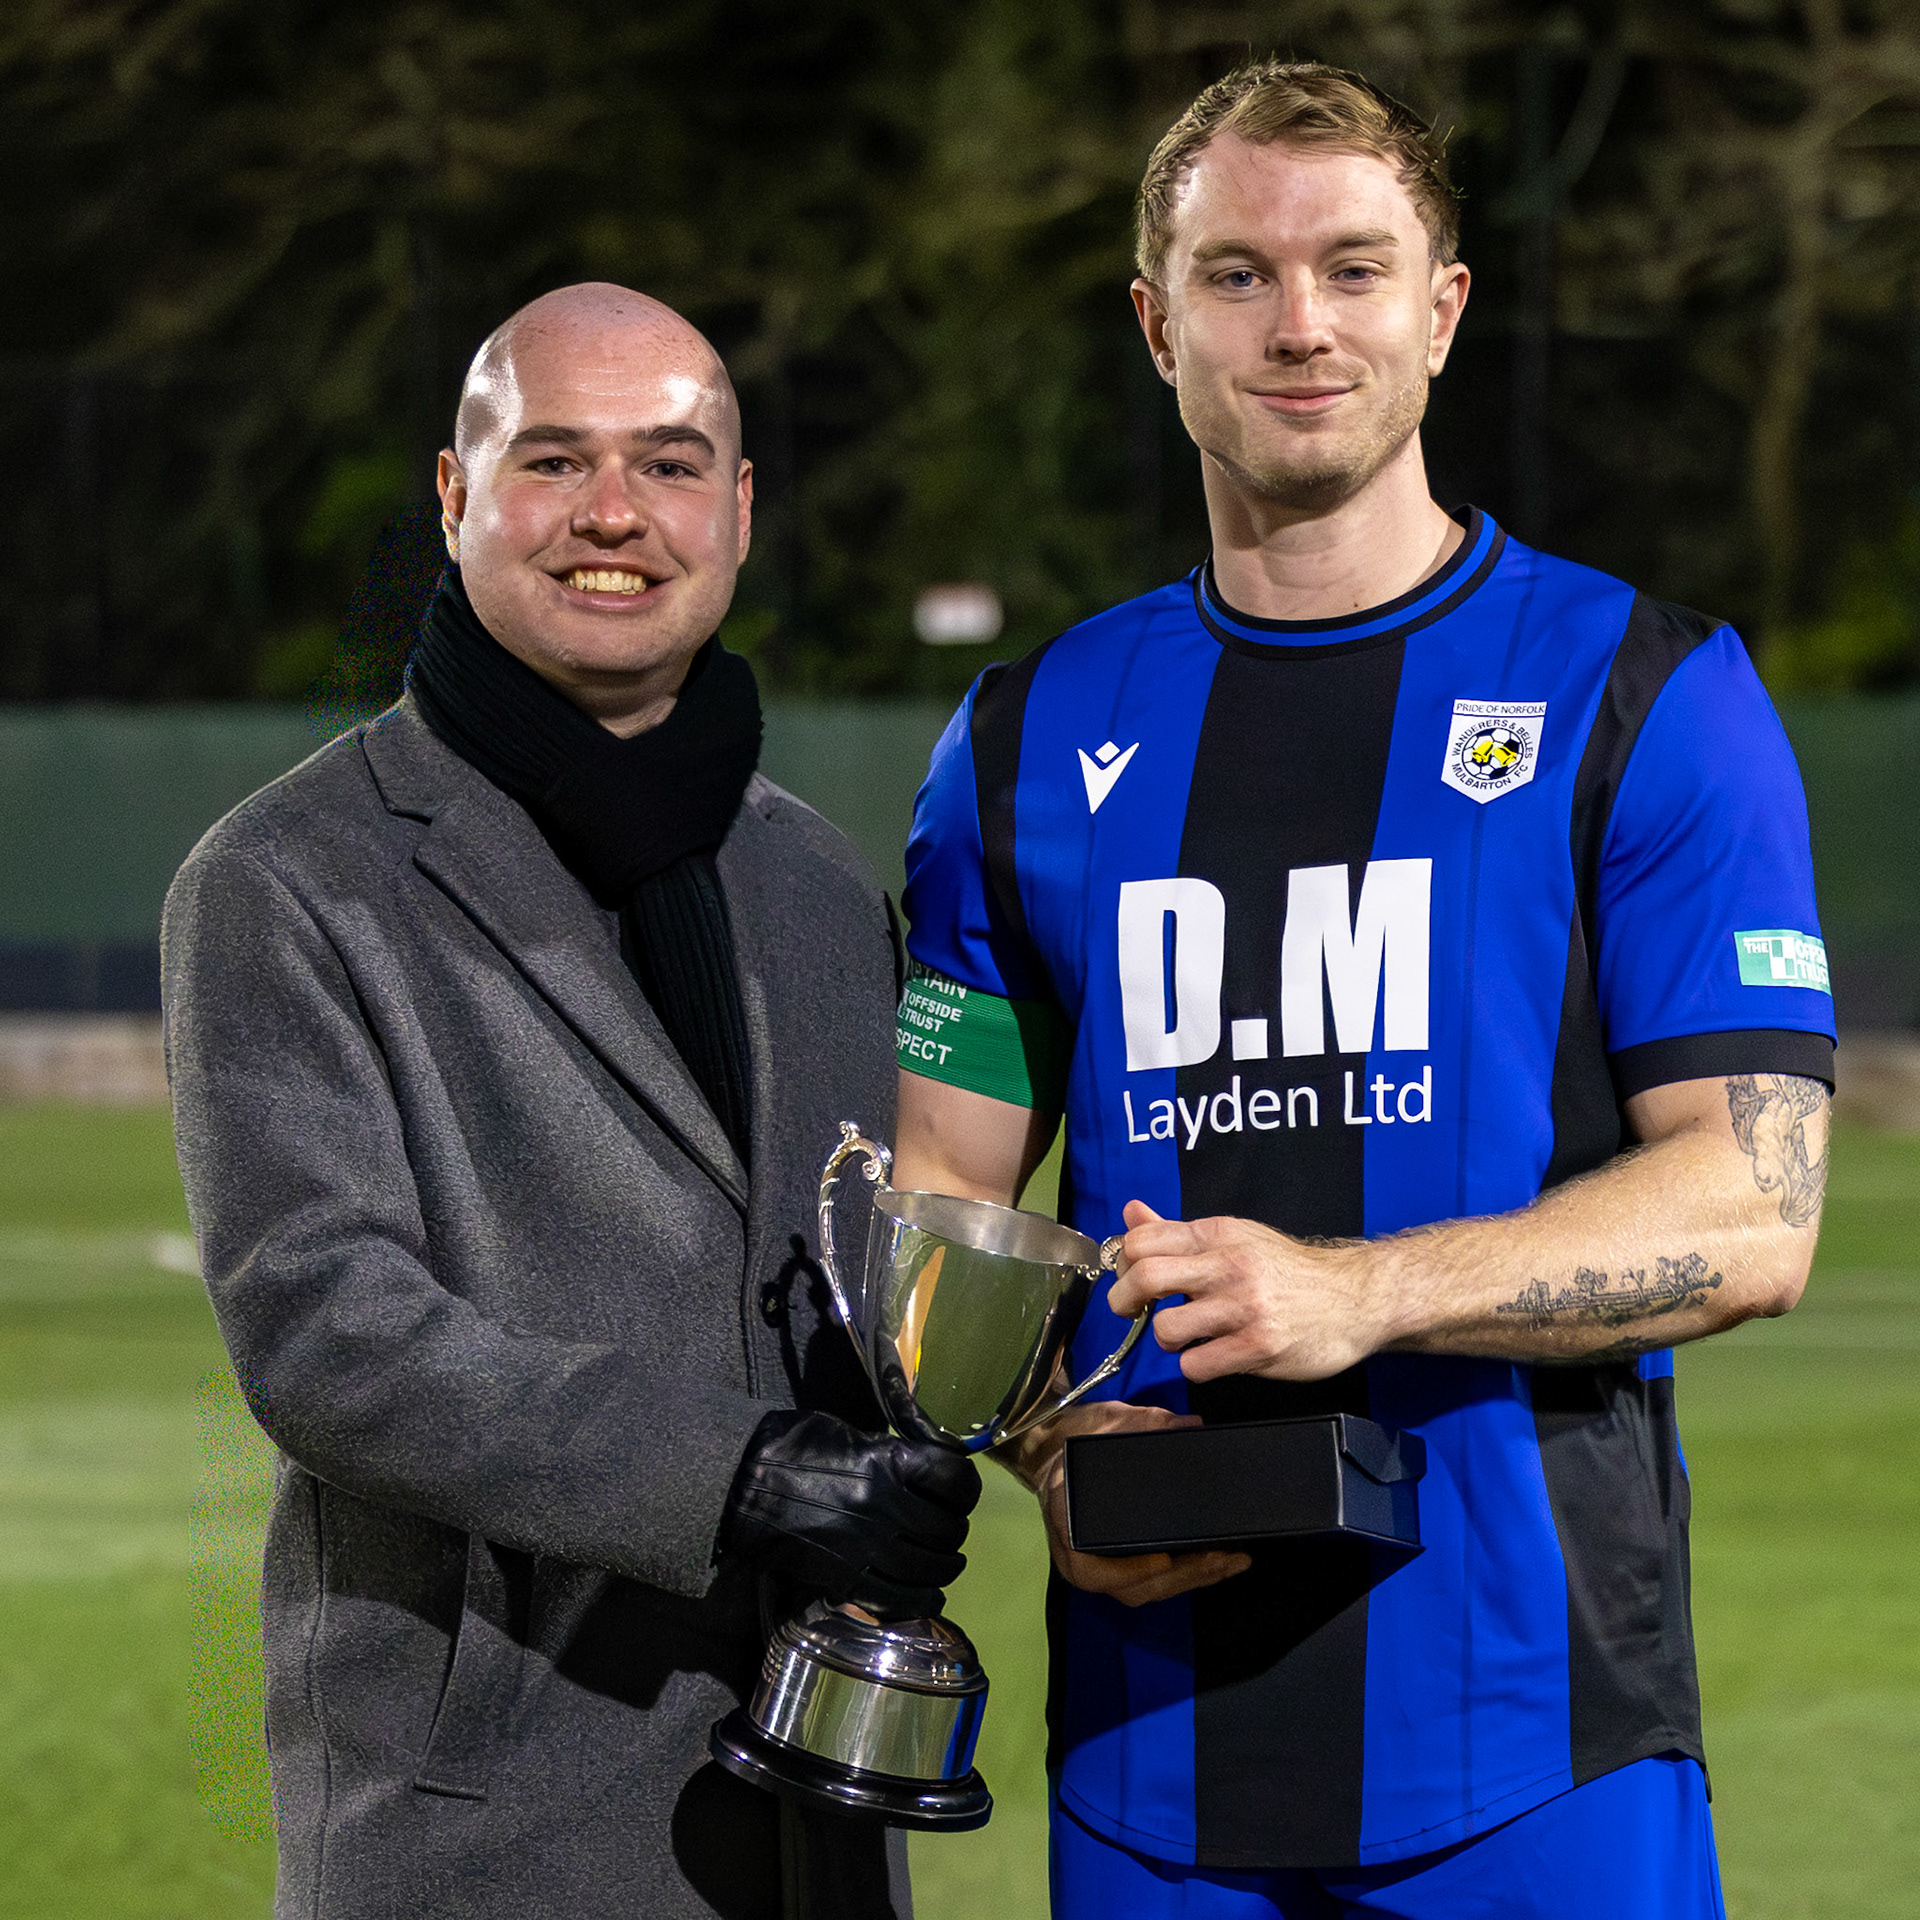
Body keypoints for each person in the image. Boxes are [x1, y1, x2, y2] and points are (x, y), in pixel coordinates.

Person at [893, 62, 1833, 1920]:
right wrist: (1046, 1437)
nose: (1300, 325)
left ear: (1443, 308)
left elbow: (1758, 1205)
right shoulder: (1018, 744)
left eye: (1353, 267)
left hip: (1544, 1747)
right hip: (1146, 1757)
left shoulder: (1645, 691)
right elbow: (939, 1191)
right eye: (1237, 275)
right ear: (1157, 326)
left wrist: (1362, 1290)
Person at [163, 282, 979, 1920]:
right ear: (455, 495)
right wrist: (738, 1474)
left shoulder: (818, 882)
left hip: (819, 1807)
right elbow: (326, 1332)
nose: (615, 513)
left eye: (670, 464)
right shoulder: (287, 877)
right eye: (554, 460)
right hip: (491, 1823)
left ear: (736, 510)